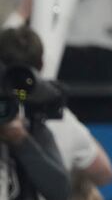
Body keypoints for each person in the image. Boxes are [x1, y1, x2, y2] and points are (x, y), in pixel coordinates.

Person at [0, 26, 112, 186]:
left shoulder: (49, 113)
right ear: (41, 65)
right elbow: (104, 173)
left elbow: (103, 173)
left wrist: (22, 141)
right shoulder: (64, 121)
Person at [0, 28, 71, 200]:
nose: (14, 91)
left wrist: (21, 141)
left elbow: (60, 190)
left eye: (23, 81)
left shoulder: (30, 116)